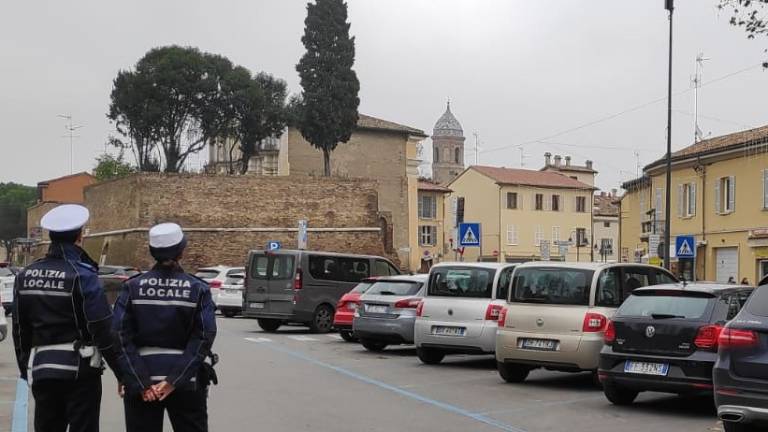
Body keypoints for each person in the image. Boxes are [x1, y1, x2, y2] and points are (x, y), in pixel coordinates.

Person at [12, 204, 121, 432]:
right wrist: (123, 374)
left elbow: (20, 329)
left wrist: (25, 368)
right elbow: (102, 329)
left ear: (50, 235)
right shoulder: (83, 275)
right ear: (80, 236)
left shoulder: (25, 275)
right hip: (80, 371)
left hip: (43, 370)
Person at [113, 223, 217, 432]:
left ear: (152, 252)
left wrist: (137, 380)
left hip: (143, 381)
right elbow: (205, 336)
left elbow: (118, 335)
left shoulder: (132, 287)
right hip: (187, 382)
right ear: (182, 251)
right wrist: (174, 380)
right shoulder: (198, 288)